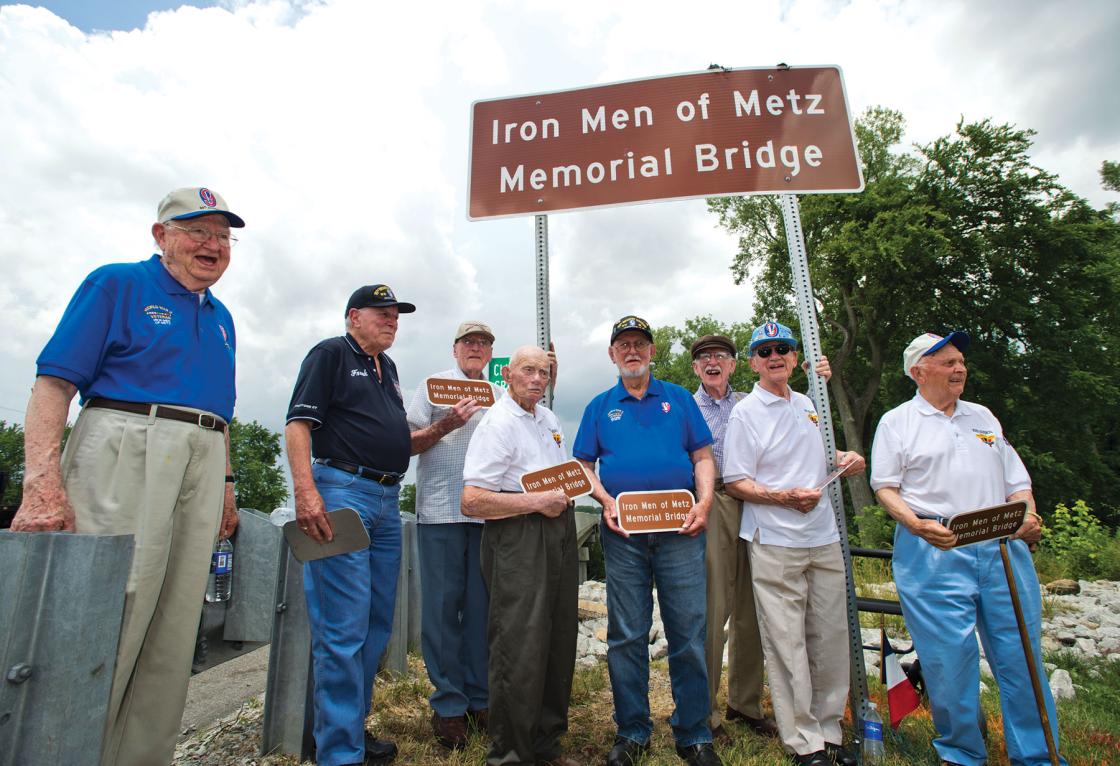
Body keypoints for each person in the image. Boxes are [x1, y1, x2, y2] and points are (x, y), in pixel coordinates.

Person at [10, 186, 243, 766]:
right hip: (127, 441)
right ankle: (65, 750)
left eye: (223, 236)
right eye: (197, 231)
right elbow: (55, 383)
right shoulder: (117, 283)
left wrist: (228, 487)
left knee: (176, 618)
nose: (212, 245)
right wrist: (40, 481)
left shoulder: (222, 317)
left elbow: (221, 414)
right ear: (161, 235)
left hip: (203, 455)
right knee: (114, 607)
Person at [870, 331, 1064, 766]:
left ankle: (1037, 755)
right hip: (935, 546)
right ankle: (961, 753)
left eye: (960, 361)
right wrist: (916, 524)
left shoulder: (983, 417)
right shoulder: (897, 421)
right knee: (947, 660)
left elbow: (1017, 481)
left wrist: (1027, 515)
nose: (959, 369)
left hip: (1001, 545)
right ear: (919, 371)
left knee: (1021, 656)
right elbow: (885, 486)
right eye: (947, 362)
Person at [574, 315, 721, 766]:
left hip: (681, 530)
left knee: (689, 632)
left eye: (640, 343)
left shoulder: (677, 399)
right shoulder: (600, 406)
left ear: (652, 352)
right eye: (624, 345)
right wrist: (604, 500)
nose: (632, 351)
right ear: (613, 354)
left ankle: (694, 733)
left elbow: (702, 455)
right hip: (624, 535)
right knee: (626, 634)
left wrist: (705, 503)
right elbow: (582, 464)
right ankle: (633, 732)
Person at [284, 284, 417, 766]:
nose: (392, 321)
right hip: (342, 492)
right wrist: (306, 493)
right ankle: (339, 753)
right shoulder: (331, 354)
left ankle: (351, 733)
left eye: (396, 316)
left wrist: (443, 429)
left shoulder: (390, 369)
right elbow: (298, 424)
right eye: (382, 313)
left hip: (387, 496)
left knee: (376, 623)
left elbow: (398, 439)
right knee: (342, 626)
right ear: (353, 316)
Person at [722, 322, 863, 766]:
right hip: (776, 538)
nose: (774, 356)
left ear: (796, 356)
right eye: (764, 351)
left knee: (829, 635)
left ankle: (829, 730)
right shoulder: (747, 412)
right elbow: (736, 481)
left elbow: (818, 458)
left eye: (782, 348)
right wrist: (782, 497)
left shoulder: (809, 404)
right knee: (786, 641)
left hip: (823, 535)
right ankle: (803, 741)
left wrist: (845, 459)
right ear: (752, 362)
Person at [690, 334, 833, 741]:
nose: (712, 362)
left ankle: (745, 703)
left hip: (758, 505)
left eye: (720, 356)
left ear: (736, 365)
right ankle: (705, 712)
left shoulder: (750, 402)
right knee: (714, 607)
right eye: (704, 358)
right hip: (714, 501)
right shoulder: (687, 406)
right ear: (696, 368)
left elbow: (800, 433)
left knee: (754, 607)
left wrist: (817, 377)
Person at [460, 345, 586, 766]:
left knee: (558, 637)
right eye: (528, 370)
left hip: (558, 530)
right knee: (519, 644)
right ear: (508, 375)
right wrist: (535, 503)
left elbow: (560, 476)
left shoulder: (548, 419)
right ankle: (511, 754)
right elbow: (473, 500)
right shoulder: (497, 423)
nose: (536, 379)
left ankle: (546, 743)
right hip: (518, 537)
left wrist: (559, 500)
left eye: (544, 372)